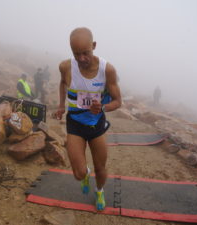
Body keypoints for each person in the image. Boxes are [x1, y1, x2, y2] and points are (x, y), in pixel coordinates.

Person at [54, 27, 122, 211]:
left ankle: (99, 191)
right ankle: (86, 175)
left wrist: (103, 107)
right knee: (78, 173)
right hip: (75, 122)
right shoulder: (66, 66)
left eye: (86, 53)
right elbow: (62, 83)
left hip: (96, 123)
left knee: (101, 168)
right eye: (77, 54)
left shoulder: (107, 70)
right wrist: (61, 105)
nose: (82, 58)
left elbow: (118, 101)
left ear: (94, 46)